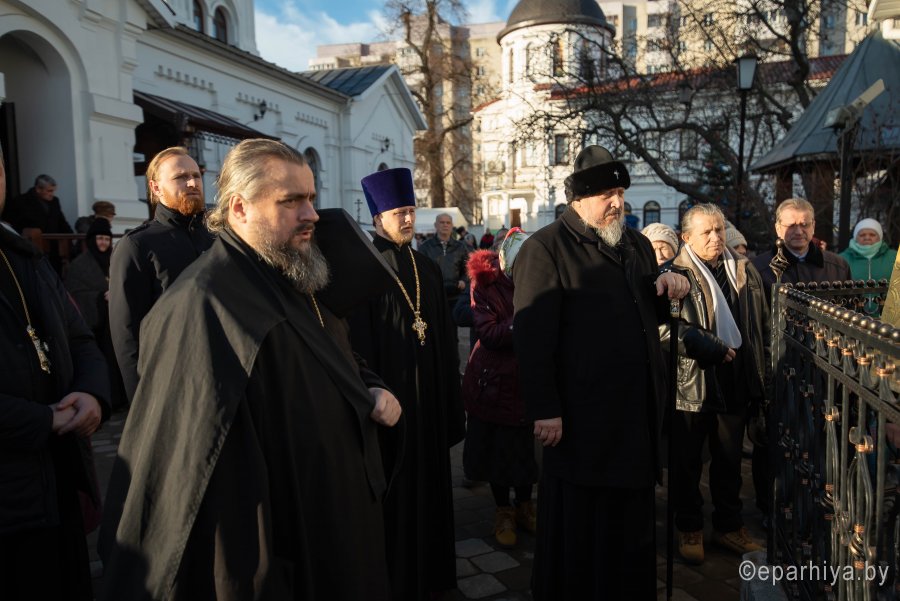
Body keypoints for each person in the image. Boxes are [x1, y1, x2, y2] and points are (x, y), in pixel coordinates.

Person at [100, 139, 400, 600]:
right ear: (240, 208)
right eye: (291, 201)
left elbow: (335, 351)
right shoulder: (201, 305)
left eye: (311, 198)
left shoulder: (288, 268)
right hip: (290, 544)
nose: (311, 214)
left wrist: (371, 386)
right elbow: (206, 481)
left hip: (338, 518)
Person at [512, 145, 691, 600]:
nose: (617, 203)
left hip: (634, 419)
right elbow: (532, 338)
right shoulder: (545, 248)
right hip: (582, 423)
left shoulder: (636, 245)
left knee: (631, 531)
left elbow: (645, 308)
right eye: (606, 195)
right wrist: (545, 408)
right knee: (583, 533)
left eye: (621, 194)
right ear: (578, 199)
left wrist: (669, 286)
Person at [350, 167, 465, 600]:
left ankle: (435, 576)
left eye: (411, 211)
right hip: (390, 404)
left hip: (428, 403)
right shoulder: (361, 269)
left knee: (432, 491)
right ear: (378, 217)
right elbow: (357, 344)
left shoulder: (427, 268)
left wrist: (450, 403)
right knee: (394, 497)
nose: (408, 219)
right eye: (399, 213)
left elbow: (445, 340)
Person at [0, 147, 109, 601]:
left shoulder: (24, 256)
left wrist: (92, 394)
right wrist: (44, 419)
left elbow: (80, 339)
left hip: (57, 487)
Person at [666, 204, 768, 565]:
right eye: (706, 232)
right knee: (688, 463)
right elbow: (664, 329)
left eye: (719, 230)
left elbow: (759, 323)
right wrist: (703, 344)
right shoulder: (674, 273)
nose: (715, 237)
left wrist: (761, 371)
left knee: (728, 461)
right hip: (693, 381)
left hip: (735, 378)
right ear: (686, 237)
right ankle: (689, 526)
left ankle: (728, 526)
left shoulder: (743, 268)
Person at [109, 146, 215, 402]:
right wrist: (142, 403)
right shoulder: (137, 246)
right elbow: (126, 335)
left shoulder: (217, 237)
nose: (192, 183)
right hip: (172, 384)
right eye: (180, 177)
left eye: (196, 175)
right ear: (156, 188)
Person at [462, 228, 538, 549]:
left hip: (528, 380)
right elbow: (489, 334)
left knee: (524, 449)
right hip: (493, 380)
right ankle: (503, 509)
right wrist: (526, 323)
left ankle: (525, 504)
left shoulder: (540, 281)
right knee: (497, 450)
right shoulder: (486, 285)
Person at [65, 218, 127, 410]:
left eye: (106, 239)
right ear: (92, 240)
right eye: (100, 238)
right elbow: (74, 295)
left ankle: (122, 398)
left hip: (116, 320)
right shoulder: (79, 265)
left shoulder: (115, 260)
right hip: (96, 325)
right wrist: (101, 297)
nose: (103, 243)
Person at [752, 198, 851, 302]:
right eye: (791, 226)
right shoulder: (758, 270)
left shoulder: (838, 267)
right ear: (778, 229)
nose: (798, 232)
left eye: (804, 225)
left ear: (813, 226)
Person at [2, 174, 74, 272]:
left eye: (53, 191)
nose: (52, 194)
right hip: (31, 248)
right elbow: (12, 224)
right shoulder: (20, 201)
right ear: (38, 189)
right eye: (49, 191)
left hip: (54, 249)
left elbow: (61, 222)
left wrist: (71, 237)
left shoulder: (55, 201)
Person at [419, 211, 470, 314]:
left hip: (456, 296)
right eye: (442, 222)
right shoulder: (425, 247)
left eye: (448, 222)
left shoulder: (460, 247)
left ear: (452, 226)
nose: (445, 225)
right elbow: (420, 271)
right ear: (435, 225)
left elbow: (468, 268)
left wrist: (464, 281)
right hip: (434, 296)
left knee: (453, 323)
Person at [839, 218, 896, 282]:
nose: (867, 238)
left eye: (872, 235)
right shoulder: (841, 259)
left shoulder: (894, 257)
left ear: (880, 237)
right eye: (862, 235)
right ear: (855, 237)